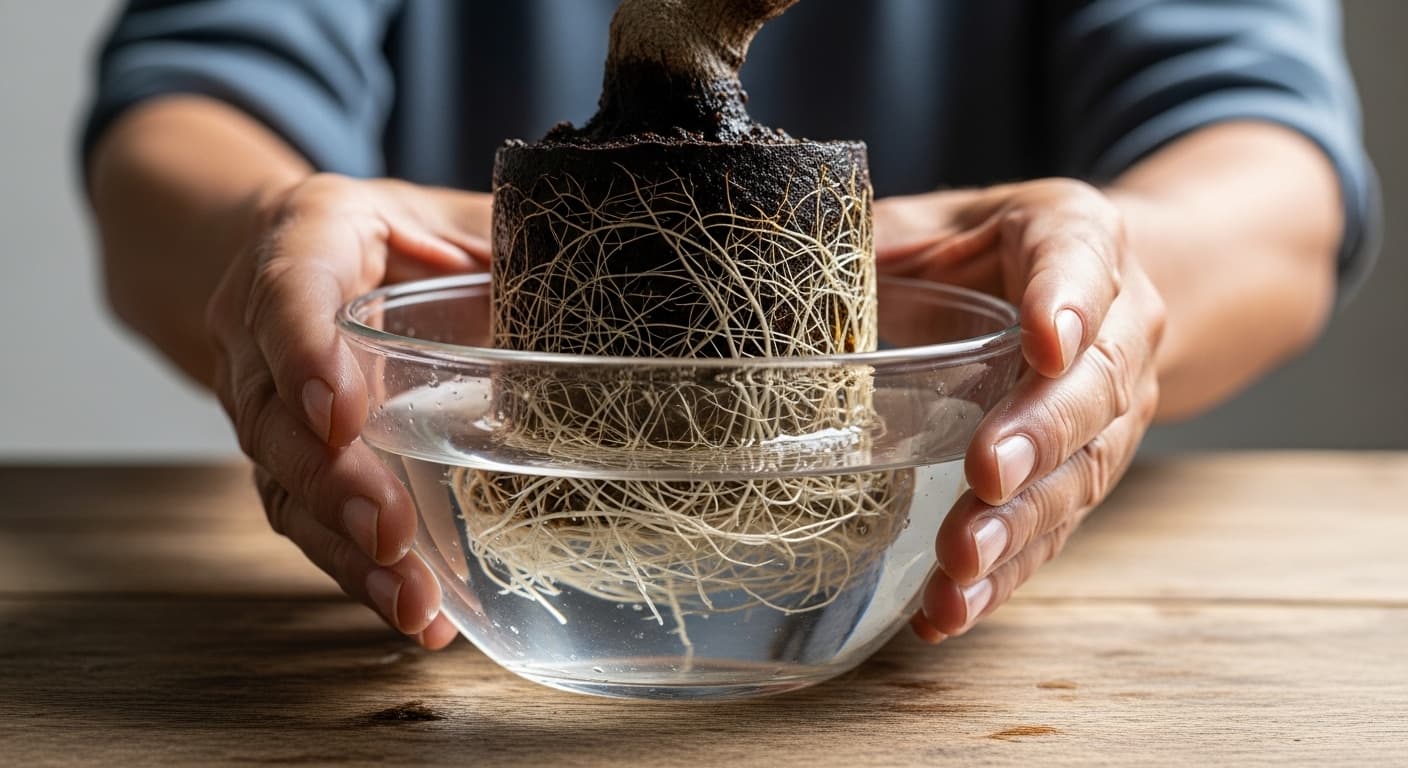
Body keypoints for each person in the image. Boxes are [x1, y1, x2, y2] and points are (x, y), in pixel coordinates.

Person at [84, 0, 1378, 650]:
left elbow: (1272, 166)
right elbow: (187, 107)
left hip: (929, 605)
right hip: (474, 601)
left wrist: (1102, 280)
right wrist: (281, 238)